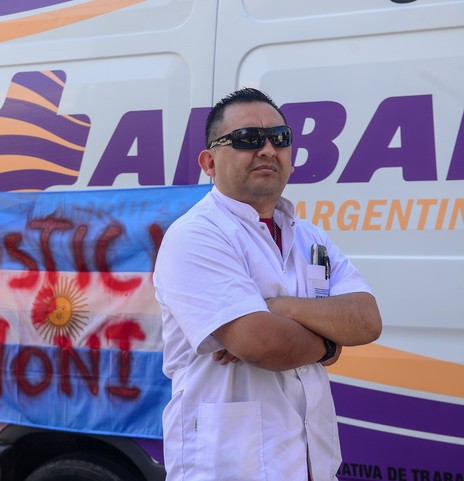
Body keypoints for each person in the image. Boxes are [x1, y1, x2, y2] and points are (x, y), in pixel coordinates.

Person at [153, 87, 382, 481]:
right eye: (246, 139)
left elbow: (367, 319)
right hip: (231, 466)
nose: (267, 150)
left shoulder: (311, 238)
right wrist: (329, 342)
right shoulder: (195, 235)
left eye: (280, 138)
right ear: (209, 161)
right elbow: (261, 344)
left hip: (312, 464)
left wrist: (279, 308)